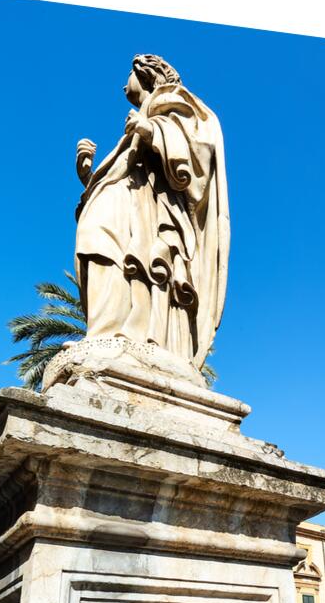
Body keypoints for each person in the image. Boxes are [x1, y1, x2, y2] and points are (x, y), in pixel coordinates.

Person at [73, 54, 229, 372]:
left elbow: (198, 150)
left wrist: (150, 130)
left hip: (153, 207)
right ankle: (104, 330)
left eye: (128, 74)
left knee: (114, 247)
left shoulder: (171, 99)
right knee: (98, 243)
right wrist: (87, 175)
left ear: (146, 74)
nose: (123, 82)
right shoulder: (142, 116)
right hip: (128, 198)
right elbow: (119, 171)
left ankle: (123, 333)